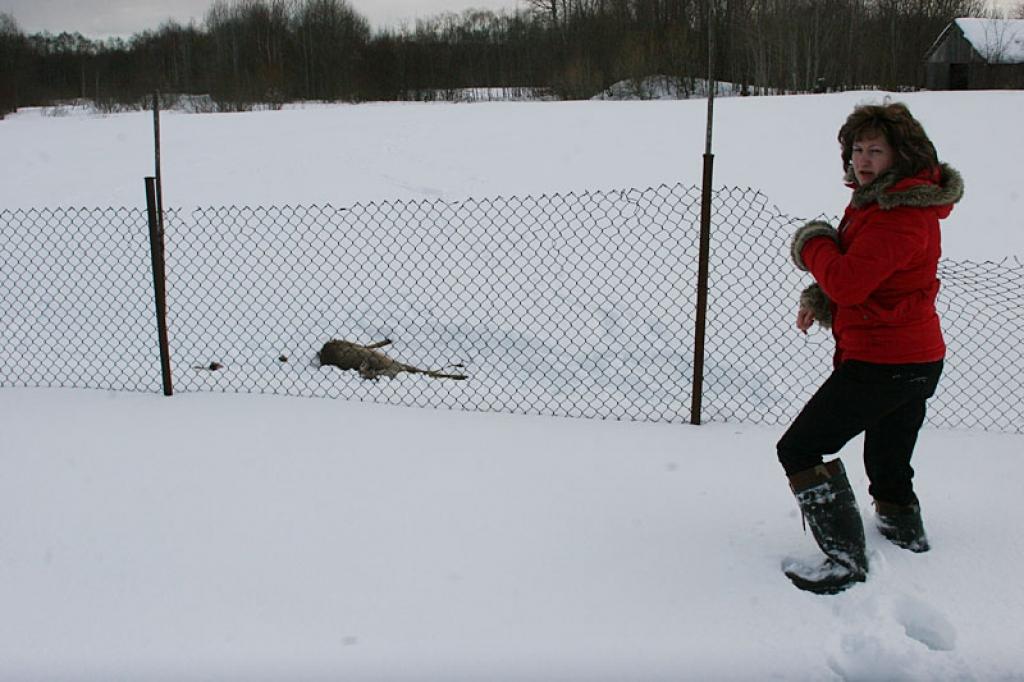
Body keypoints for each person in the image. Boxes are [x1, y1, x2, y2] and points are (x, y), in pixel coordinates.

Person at [778, 102, 964, 594]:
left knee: (799, 447)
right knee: (887, 460)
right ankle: (907, 538)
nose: (863, 160)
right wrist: (821, 299)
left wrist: (812, 241)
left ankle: (845, 560)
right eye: (857, 149)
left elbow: (849, 281)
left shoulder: (897, 215)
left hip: (885, 361)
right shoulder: (884, 202)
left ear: (901, 155)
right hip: (915, 357)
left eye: (875, 150)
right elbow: (868, 278)